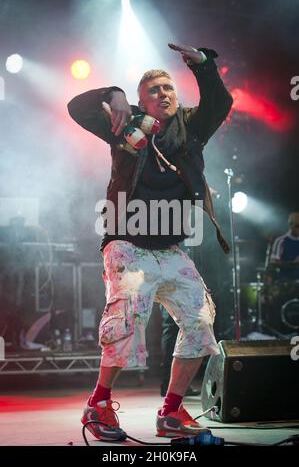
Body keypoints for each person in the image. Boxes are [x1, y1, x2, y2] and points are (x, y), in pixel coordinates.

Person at [67, 43, 233, 440]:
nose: (163, 94)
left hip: (170, 248)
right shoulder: (125, 124)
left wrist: (204, 66)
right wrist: (113, 96)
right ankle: (99, 406)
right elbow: (76, 107)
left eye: (168, 87)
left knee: (200, 320)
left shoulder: (192, 127)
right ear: (142, 102)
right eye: (153, 90)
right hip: (128, 243)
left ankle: (172, 412)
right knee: (127, 321)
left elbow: (220, 102)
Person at [270, 212, 299, 281]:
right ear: (290, 225)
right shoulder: (280, 241)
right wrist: (293, 263)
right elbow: (273, 264)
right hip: (286, 283)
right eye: (298, 226)